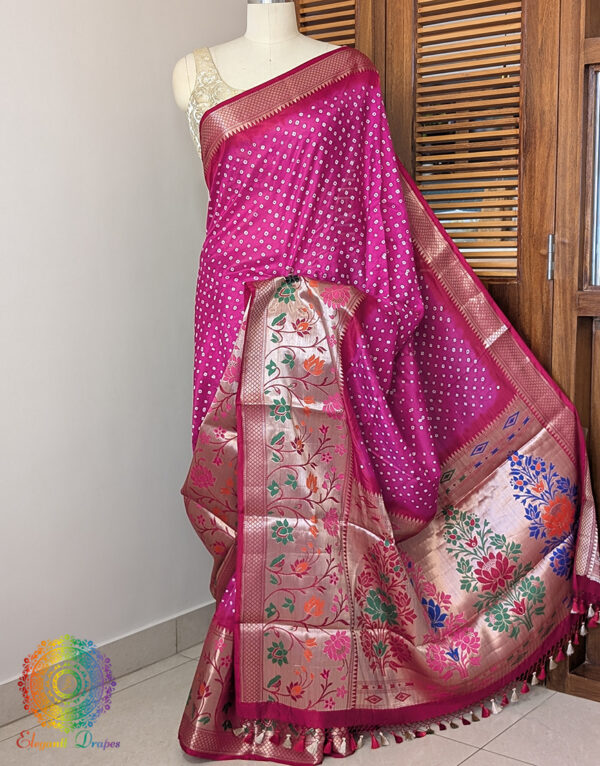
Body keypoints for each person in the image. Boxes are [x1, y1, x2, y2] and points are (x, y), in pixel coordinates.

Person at [172, 4, 600, 763]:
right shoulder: (191, 72)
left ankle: (309, 688)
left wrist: (356, 317)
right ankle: (270, 677)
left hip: (319, 332)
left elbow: (374, 211)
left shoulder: (348, 75)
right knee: (251, 505)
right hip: (227, 319)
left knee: (312, 511)